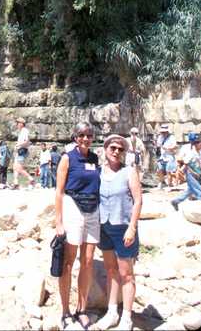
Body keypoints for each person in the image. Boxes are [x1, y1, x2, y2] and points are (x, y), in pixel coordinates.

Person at [55, 123, 100, 330]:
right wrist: (59, 222)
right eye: (81, 135)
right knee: (68, 262)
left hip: (93, 209)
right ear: (75, 137)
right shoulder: (67, 158)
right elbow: (59, 191)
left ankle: (81, 309)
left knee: (88, 261)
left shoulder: (95, 158)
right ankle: (65, 311)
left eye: (89, 135)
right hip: (73, 207)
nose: (85, 139)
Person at [96, 134, 142, 331]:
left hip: (123, 227)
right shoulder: (98, 172)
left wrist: (132, 227)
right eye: (112, 148)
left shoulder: (129, 172)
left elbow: (138, 200)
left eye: (120, 149)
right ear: (105, 149)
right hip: (104, 227)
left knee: (126, 274)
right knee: (111, 270)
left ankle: (127, 317)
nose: (116, 151)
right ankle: (112, 311)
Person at [171, 133, 201, 211]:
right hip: (191, 175)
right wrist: (180, 173)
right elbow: (186, 165)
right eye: (199, 143)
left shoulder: (200, 152)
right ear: (195, 144)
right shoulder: (191, 153)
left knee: (190, 191)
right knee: (200, 192)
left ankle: (175, 201)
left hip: (197, 174)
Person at [12, 118, 34, 189]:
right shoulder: (22, 131)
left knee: (19, 168)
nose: (17, 124)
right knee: (15, 167)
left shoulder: (25, 131)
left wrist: (18, 145)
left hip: (22, 151)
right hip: (19, 151)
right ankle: (16, 183)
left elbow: (27, 141)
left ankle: (31, 179)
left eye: (18, 123)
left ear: (21, 124)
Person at [155, 124, 177, 189]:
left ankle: (169, 185)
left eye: (164, 132)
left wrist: (167, 148)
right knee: (159, 170)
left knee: (168, 171)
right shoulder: (160, 137)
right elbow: (158, 145)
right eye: (162, 132)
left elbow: (175, 146)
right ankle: (162, 183)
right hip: (162, 156)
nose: (163, 133)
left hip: (169, 156)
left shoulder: (172, 137)